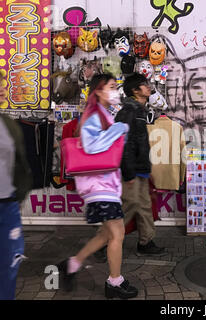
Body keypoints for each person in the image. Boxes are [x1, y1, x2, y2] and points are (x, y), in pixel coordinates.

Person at [57, 74, 139, 299]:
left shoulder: (102, 115)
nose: (116, 91)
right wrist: (119, 129)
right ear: (98, 92)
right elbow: (92, 147)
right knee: (117, 234)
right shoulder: (94, 116)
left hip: (103, 185)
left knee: (106, 234)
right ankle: (114, 282)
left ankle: (72, 264)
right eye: (111, 87)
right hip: (99, 186)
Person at [114, 73, 165, 255]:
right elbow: (123, 145)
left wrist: (146, 168)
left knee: (144, 206)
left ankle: (145, 242)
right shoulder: (128, 112)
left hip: (140, 169)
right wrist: (128, 173)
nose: (148, 87)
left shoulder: (140, 111)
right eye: (144, 85)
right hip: (131, 171)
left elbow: (139, 143)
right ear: (135, 91)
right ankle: (103, 242)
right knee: (127, 208)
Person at [0, 73, 33, 300]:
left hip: (8, 206)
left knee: (10, 263)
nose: (3, 89)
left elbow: (19, 165)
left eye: (2, 84)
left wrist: (18, 194)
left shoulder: (8, 124)